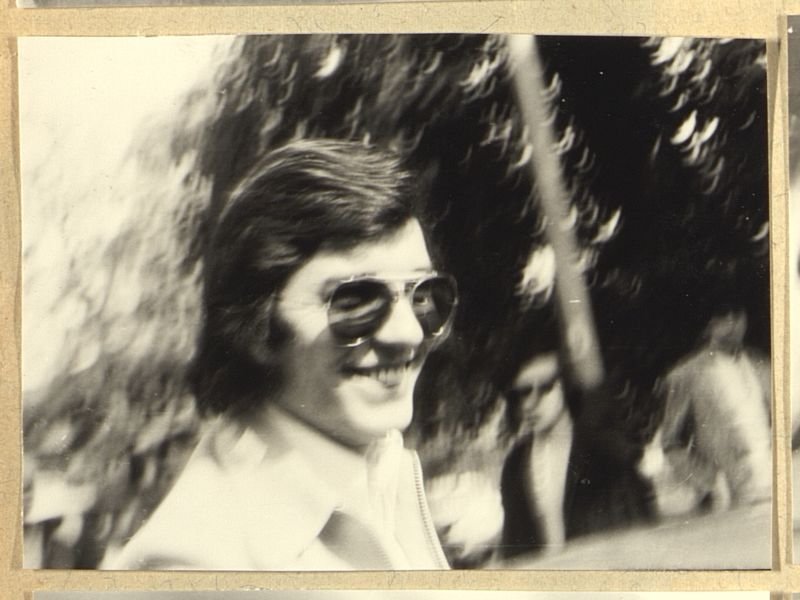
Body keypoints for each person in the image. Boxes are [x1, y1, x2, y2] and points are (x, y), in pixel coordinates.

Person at [109, 139, 455, 570]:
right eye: (354, 302)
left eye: (423, 295)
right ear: (255, 326)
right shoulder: (197, 564)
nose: (408, 333)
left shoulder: (381, 468)